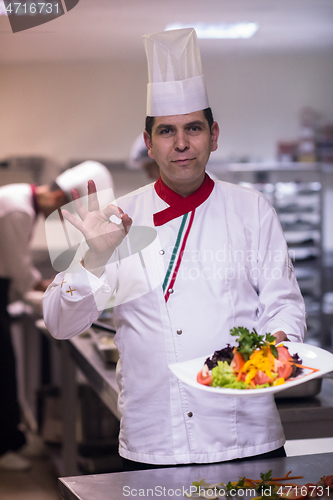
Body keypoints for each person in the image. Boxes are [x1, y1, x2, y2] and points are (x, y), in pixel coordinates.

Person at [43, 28, 306, 471]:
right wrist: (95, 258)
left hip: (247, 437)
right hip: (154, 443)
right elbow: (58, 322)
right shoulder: (114, 219)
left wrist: (271, 347)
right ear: (149, 142)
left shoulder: (252, 210)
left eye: (193, 129)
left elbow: (285, 307)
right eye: (167, 131)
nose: (181, 143)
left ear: (213, 135)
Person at [0, 161, 114, 470]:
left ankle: (12, 440)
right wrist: (59, 286)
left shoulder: (20, 201)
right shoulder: (18, 209)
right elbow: (21, 273)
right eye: (64, 208)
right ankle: (7, 445)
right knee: (3, 370)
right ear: (57, 197)